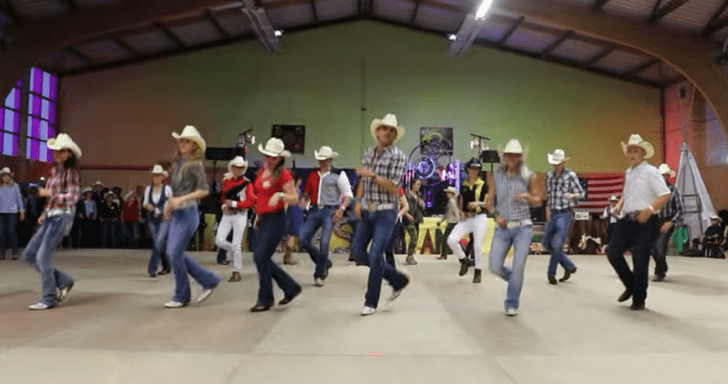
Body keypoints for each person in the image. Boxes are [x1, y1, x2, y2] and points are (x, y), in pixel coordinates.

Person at [353, 113, 410, 316]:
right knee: (358, 252)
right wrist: (358, 201)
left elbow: (394, 187)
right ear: (377, 132)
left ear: (395, 135)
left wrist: (374, 176)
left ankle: (371, 301)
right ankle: (396, 279)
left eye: (391, 130)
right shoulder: (369, 154)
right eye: (384, 129)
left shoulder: (399, 156)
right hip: (368, 210)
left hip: (386, 212)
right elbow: (363, 182)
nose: (387, 132)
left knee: (376, 254)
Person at [607, 134, 671, 311]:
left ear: (643, 154)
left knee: (640, 259)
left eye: (636, 151)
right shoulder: (629, 172)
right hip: (627, 219)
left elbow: (665, 194)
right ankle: (630, 285)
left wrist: (649, 209)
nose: (632, 154)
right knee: (612, 251)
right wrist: (620, 204)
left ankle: (639, 298)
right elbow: (628, 193)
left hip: (646, 220)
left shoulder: (651, 172)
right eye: (629, 151)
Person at [163, 125, 221, 308]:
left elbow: (204, 190)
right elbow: (177, 191)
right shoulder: (179, 164)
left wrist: (181, 199)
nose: (182, 143)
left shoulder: (195, 165)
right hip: (178, 213)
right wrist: (169, 205)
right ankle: (208, 280)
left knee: (174, 253)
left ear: (195, 145)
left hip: (188, 214)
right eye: (181, 140)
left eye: (186, 140)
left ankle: (181, 295)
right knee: (172, 253)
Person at [22, 134, 81, 310]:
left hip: (62, 216)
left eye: (61, 151)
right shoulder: (55, 172)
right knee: (30, 254)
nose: (57, 153)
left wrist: (50, 195)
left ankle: (48, 298)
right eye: (56, 150)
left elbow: (73, 196)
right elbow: (52, 198)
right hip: (51, 216)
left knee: (41, 257)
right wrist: (45, 212)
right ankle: (64, 281)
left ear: (69, 153)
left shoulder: (72, 173)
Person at [486, 139, 543, 316]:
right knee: (494, 266)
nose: (512, 158)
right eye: (509, 155)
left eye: (516, 155)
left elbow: (538, 199)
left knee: (519, 265)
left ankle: (512, 302)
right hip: (503, 228)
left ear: (520, 157)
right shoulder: (496, 176)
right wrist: (496, 216)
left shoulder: (529, 176)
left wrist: (527, 196)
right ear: (504, 157)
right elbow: (489, 202)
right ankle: (515, 281)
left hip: (523, 228)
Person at [248, 138, 302, 312]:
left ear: (279, 158)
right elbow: (260, 195)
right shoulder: (262, 171)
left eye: (272, 157)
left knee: (261, 257)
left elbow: (294, 197)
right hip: (262, 219)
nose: (269, 159)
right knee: (260, 257)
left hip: (276, 220)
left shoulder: (283, 173)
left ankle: (265, 298)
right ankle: (290, 286)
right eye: (267, 155)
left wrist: (279, 195)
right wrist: (257, 214)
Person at [299, 146, 353, 287]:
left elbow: (348, 194)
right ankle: (323, 262)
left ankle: (319, 273)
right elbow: (307, 192)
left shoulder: (338, 174)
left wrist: (341, 209)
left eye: (326, 160)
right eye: (321, 160)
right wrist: (303, 200)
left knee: (324, 243)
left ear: (330, 160)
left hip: (329, 211)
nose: (323, 162)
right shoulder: (312, 174)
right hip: (314, 209)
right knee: (303, 239)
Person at [543, 149, 584, 285]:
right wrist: (547, 209)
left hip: (565, 213)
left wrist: (572, 195)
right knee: (546, 243)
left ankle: (551, 273)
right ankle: (569, 265)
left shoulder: (570, 175)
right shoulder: (549, 176)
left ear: (563, 162)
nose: (556, 166)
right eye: (554, 163)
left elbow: (581, 193)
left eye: (558, 163)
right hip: (554, 212)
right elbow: (549, 195)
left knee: (556, 244)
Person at [447, 158, 489, 283]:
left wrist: (477, 204)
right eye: (472, 168)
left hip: (480, 217)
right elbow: (461, 200)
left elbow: (488, 203)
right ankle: (464, 260)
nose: (474, 171)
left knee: (477, 245)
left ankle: (478, 271)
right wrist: (460, 211)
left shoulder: (483, 185)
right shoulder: (464, 184)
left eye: (477, 169)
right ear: (468, 169)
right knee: (451, 239)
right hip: (467, 218)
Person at [216, 156, 255, 282]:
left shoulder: (247, 183)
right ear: (232, 168)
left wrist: (233, 204)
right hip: (227, 214)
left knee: (236, 243)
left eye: (241, 167)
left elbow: (250, 202)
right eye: (236, 167)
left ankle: (236, 270)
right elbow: (223, 197)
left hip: (240, 214)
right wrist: (224, 206)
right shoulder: (226, 181)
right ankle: (235, 253)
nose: (238, 169)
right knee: (219, 240)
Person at [650, 164, 683, 281]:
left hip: (666, 221)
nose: (662, 177)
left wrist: (671, 222)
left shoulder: (673, 191)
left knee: (660, 248)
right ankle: (662, 266)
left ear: (668, 176)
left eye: (664, 175)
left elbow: (680, 210)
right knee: (652, 249)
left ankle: (659, 272)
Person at [143, 165, 172, 277]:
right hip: (152, 219)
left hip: (164, 219)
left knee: (158, 242)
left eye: (157, 176)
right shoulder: (148, 189)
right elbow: (145, 203)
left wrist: (167, 211)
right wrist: (148, 206)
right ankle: (167, 266)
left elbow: (171, 202)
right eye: (154, 176)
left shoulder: (167, 189)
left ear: (162, 177)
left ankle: (152, 269)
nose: (155, 178)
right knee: (158, 243)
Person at [0, 167, 25, 260]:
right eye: (4, 176)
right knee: (1, 233)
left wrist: (22, 210)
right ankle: (2, 253)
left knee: (11, 232)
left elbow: (19, 199)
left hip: (12, 212)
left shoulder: (15, 186)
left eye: (8, 176)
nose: (6, 178)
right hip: (1, 212)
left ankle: (15, 252)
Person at [402, 178, 424, 265]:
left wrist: (422, 203)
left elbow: (421, 206)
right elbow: (402, 206)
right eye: (417, 184)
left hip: (416, 218)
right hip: (409, 219)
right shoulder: (407, 195)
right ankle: (410, 256)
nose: (419, 186)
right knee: (414, 236)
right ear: (412, 185)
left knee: (416, 237)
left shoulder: (418, 195)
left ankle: (410, 255)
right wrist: (406, 214)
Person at [437, 186, 460, 260]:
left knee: (445, 239)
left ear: (452, 194)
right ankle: (444, 254)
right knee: (448, 239)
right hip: (452, 222)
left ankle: (444, 254)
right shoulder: (452, 201)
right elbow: (447, 213)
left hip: (452, 222)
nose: (446, 194)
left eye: (448, 192)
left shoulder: (451, 201)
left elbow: (455, 212)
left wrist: (458, 221)